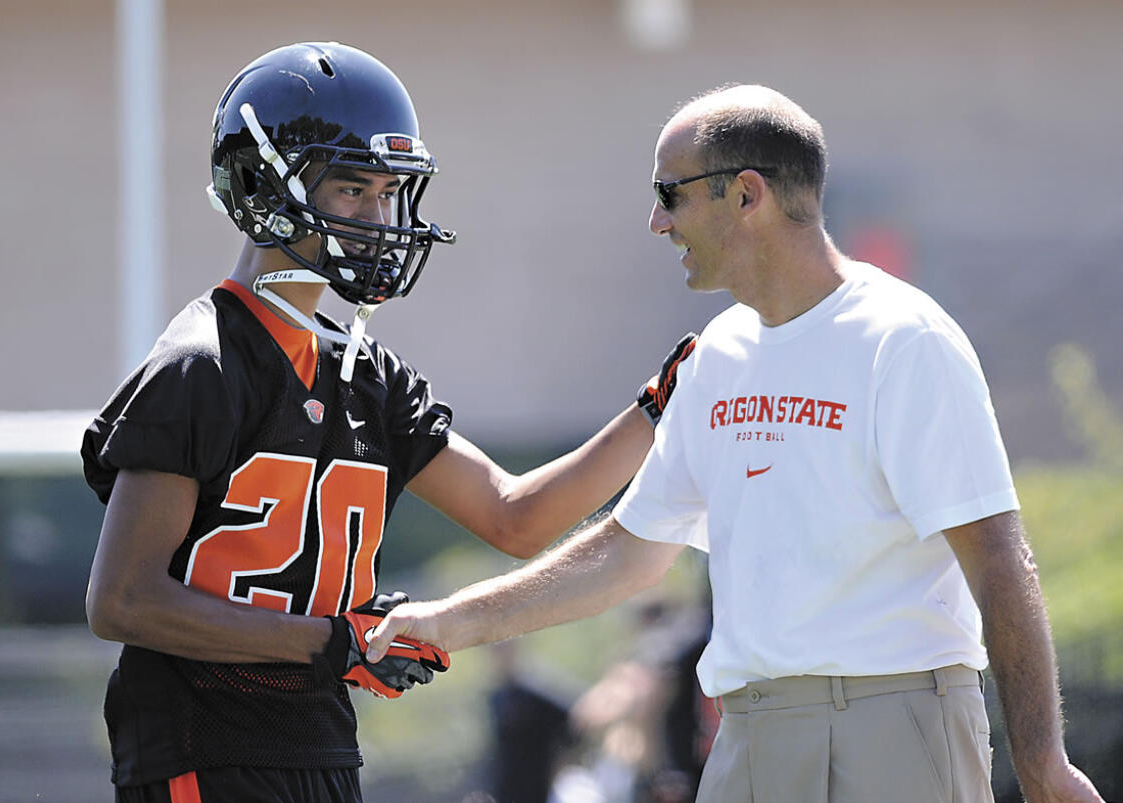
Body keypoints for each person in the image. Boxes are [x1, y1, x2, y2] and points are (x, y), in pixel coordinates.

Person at [367, 84, 1106, 803]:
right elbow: (628, 550)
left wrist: (1043, 761)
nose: (658, 223)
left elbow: (999, 554)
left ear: (746, 195)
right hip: (747, 736)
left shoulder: (904, 340)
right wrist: (451, 620)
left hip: (896, 727)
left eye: (669, 194)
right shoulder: (716, 353)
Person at [81, 42, 689, 803]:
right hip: (203, 746)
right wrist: (333, 640)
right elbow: (123, 599)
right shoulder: (201, 364)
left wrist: (657, 407)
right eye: (350, 190)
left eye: (386, 192)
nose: (377, 218)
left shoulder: (363, 371)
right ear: (262, 185)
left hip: (322, 744)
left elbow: (516, 516)